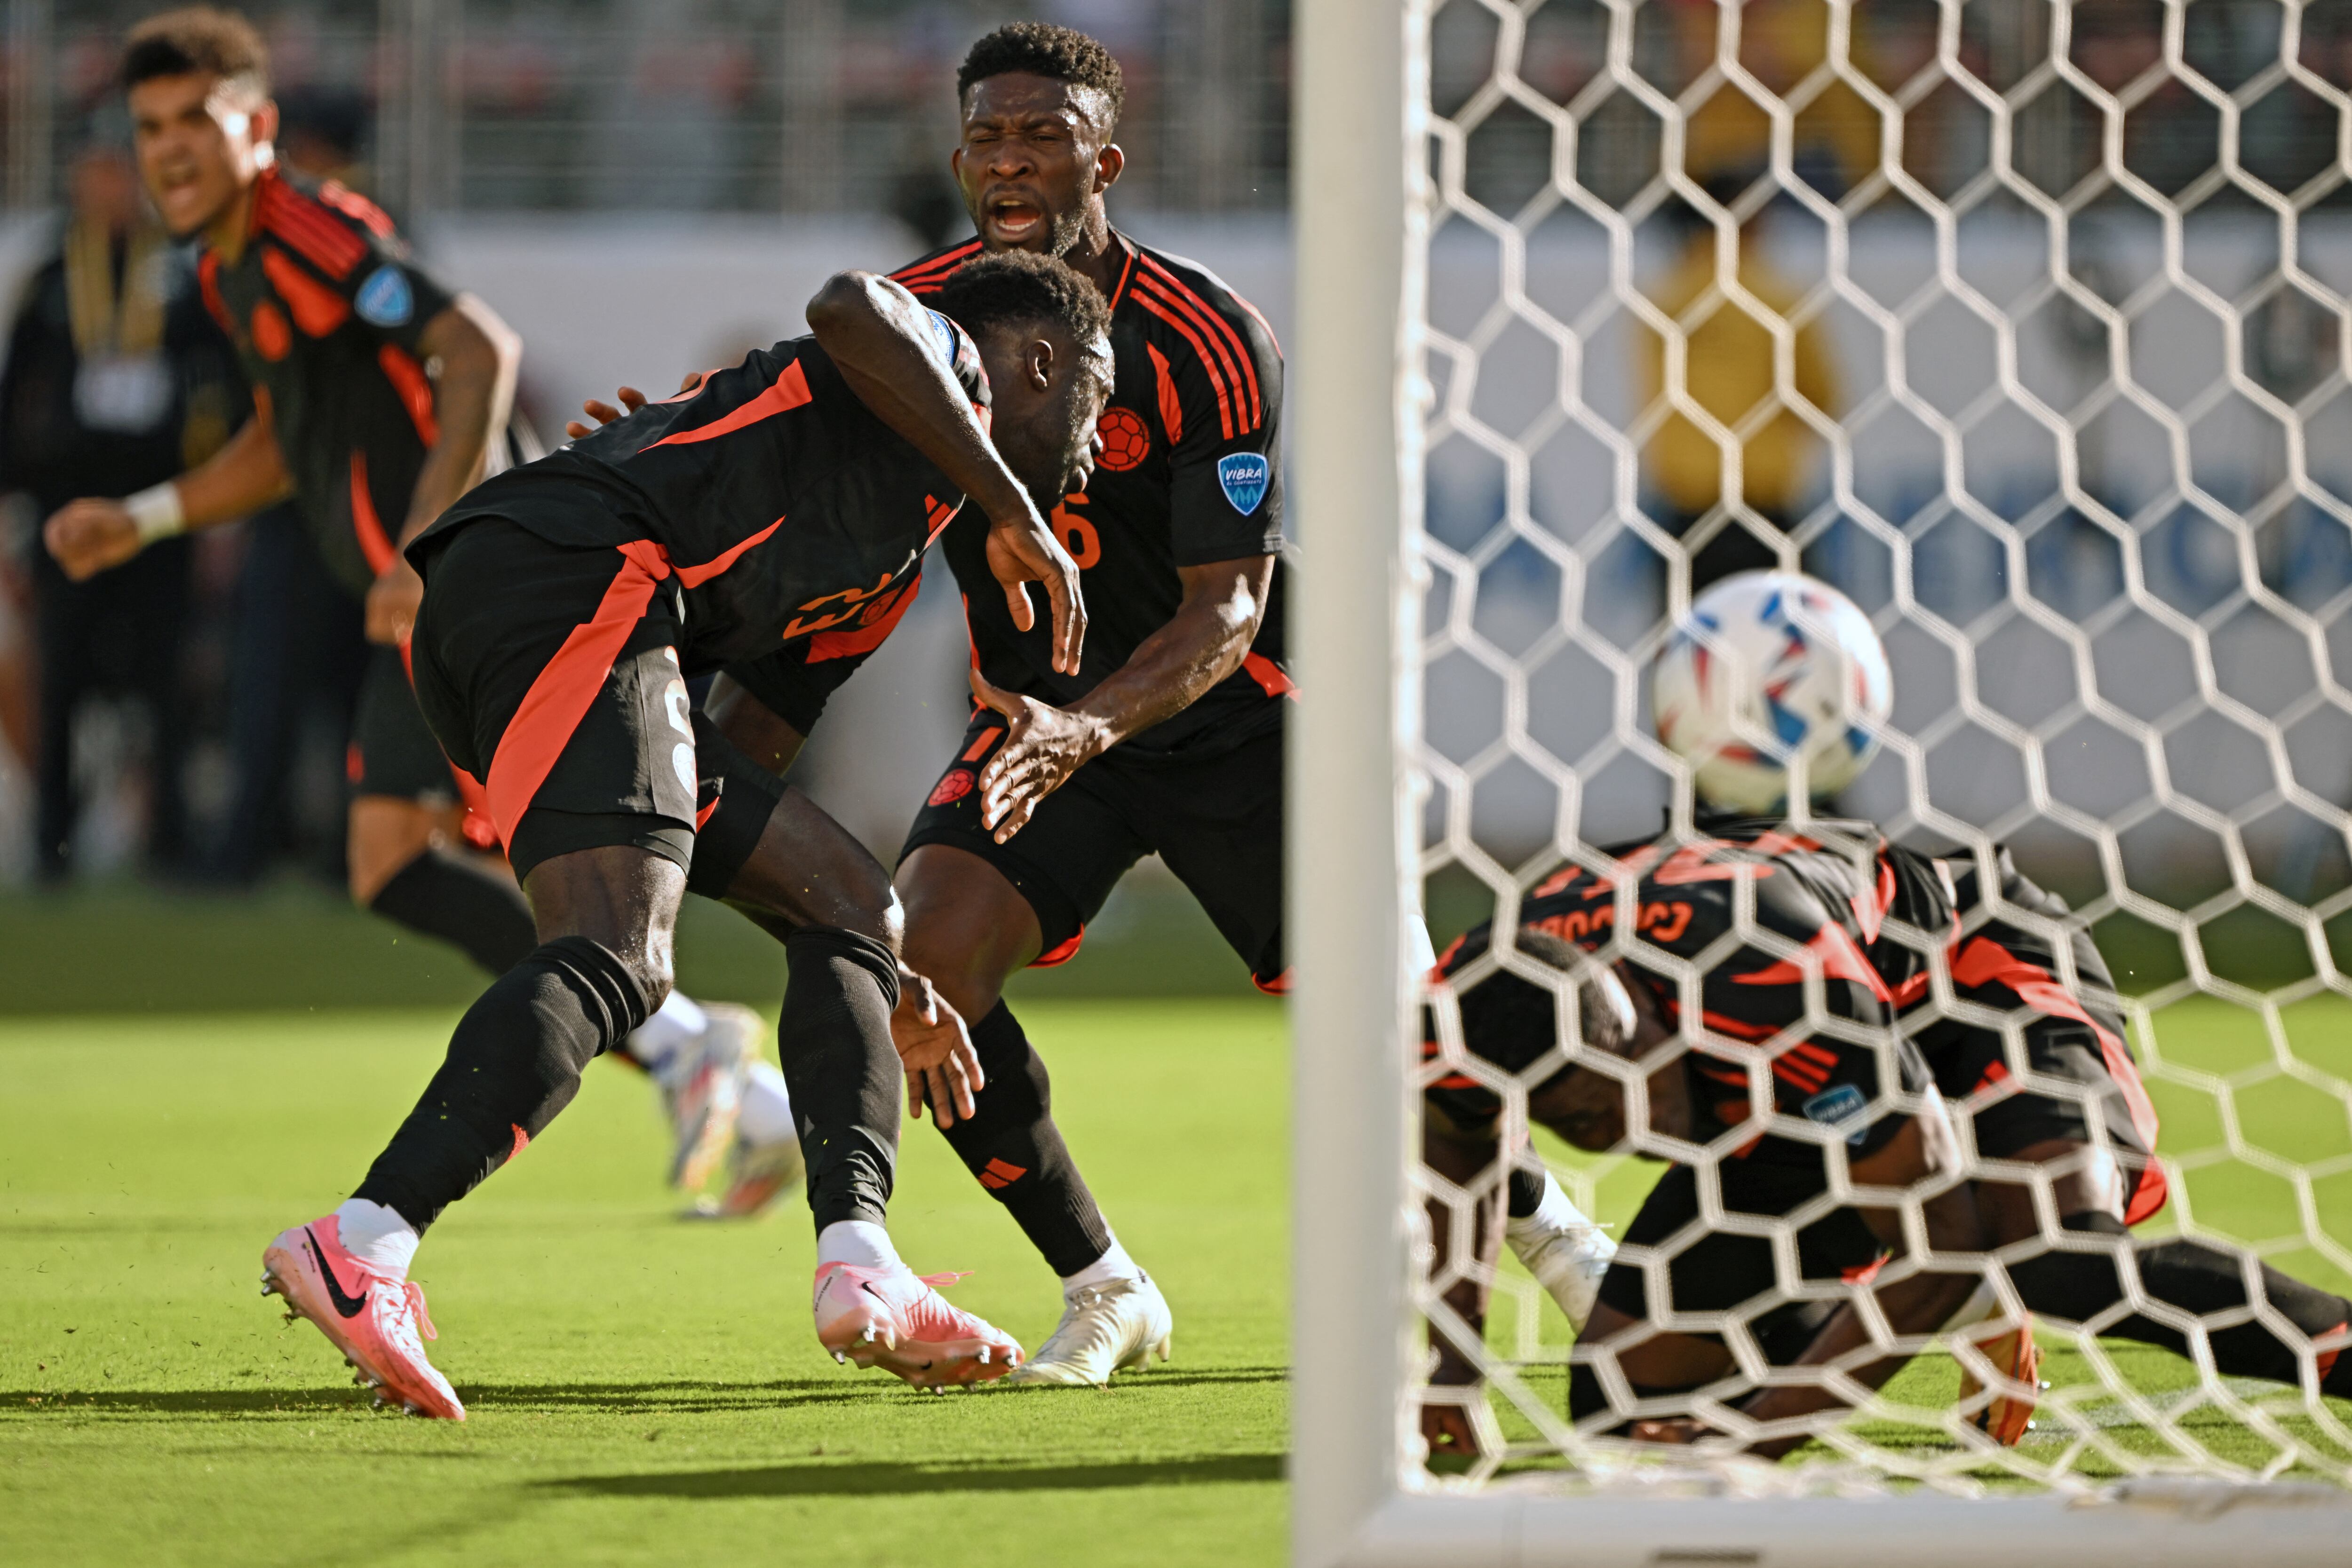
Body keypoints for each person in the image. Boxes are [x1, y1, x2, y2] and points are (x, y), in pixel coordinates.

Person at [259, 251, 1109, 1418]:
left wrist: (876, 980)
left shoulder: (891, 563)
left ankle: (862, 1266)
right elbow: (849, 305)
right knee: (615, 952)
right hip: (567, 575)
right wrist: (1019, 511)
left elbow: (735, 772)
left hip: (536, 606)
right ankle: (366, 1240)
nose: (1098, 436)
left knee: (851, 900)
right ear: (1038, 363)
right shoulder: (943, 364)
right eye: (1095, 399)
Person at [44, 8, 759, 1191]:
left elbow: (476, 345)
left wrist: (422, 546)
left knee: (546, 854)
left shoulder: (301, 226)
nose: (168, 148)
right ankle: (726, 1070)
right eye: (149, 126)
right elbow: (290, 440)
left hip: (482, 581)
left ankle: (735, 1049)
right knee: (414, 858)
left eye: (195, 121)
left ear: (258, 127)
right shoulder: (230, 263)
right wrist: (153, 514)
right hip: (451, 590)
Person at [1420, 816, 2352, 1460]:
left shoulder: (1763, 972)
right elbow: (1459, 1147)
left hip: (1966, 972)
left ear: (1641, 1017)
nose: (1634, 1127)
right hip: (1798, 1074)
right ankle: (1949, 1247)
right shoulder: (1472, 1008)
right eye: (1583, 1123)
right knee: (1626, 1405)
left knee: (2057, 1255)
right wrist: (1453, 1362)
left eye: (1635, 1089)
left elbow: (1937, 1243)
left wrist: (1756, 1440)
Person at [2, 143, 243, 880]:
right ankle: (52, 844)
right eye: (96, 171)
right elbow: (17, 397)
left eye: (120, 172)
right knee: (61, 678)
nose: (109, 188)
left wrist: (218, 511)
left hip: (159, 514)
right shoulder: (51, 274)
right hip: (68, 513)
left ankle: (167, 841)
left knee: (166, 679)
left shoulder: (183, 266)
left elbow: (223, 385)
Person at [1633, 180, 1839, 595]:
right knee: (1787, 646)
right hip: (1762, 506)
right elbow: (1820, 398)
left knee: (1693, 649)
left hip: (1686, 512)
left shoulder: (1663, 302)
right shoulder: (1776, 299)